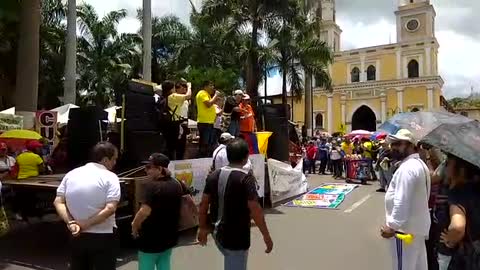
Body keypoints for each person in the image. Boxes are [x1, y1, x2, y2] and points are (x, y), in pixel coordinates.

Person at [198, 138, 273, 270]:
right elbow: (256, 210)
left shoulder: (213, 175)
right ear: (246, 157)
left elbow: (203, 205)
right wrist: (266, 235)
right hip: (237, 236)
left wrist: (202, 228)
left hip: (217, 232)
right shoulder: (246, 178)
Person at [53, 142, 121, 270]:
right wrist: (86, 224)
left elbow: (58, 201)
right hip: (103, 235)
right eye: (114, 159)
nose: (115, 163)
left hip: (76, 234)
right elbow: (111, 208)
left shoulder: (71, 174)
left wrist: (71, 222)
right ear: (106, 159)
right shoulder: (111, 177)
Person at [380, 129, 431, 270]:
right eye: (393, 144)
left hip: (404, 232)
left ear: (410, 145)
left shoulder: (408, 169)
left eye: (398, 144)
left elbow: (402, 200)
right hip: (416, 229)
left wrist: (392, 226)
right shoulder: (418, 164)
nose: (393, 147)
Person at [131, 153, 189, 270]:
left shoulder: (151, 187)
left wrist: (134, 225)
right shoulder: (177, 183)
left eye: (149, 168)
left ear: (160, 169)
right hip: (170, 235)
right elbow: (189, 200)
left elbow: (144, 211)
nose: (146, 171)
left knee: (146, 265)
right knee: (164, 263)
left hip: (150, 238)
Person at [435, 155, 480, 270]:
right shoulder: (476, 188)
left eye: (448, 163)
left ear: (460, 169)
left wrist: (450, 239)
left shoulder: (458, 194)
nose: (446, 168)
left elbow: (458, 227)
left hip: (470, 257)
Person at [196, 81, 220, 158]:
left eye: (213, 85)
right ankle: (202, 159)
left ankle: (206, 157)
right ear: (205, 87)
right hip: (205, 122)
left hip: (209, 122)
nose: (213, 87)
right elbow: (208, 104)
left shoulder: (207, 95)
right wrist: (216, 95)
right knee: (205, 143)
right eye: (211, 85)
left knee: (209, 143)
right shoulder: (202, 93)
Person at [170, 80, 192, 160]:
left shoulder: (185, 100)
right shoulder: (174, 96)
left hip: (184, 122)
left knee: (182, 146)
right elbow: (189, 95)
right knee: (175, 145)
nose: (185, 91)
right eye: (182, 89)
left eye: (185, 89)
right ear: (177, 89)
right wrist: (189, 87)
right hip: (176, 123)